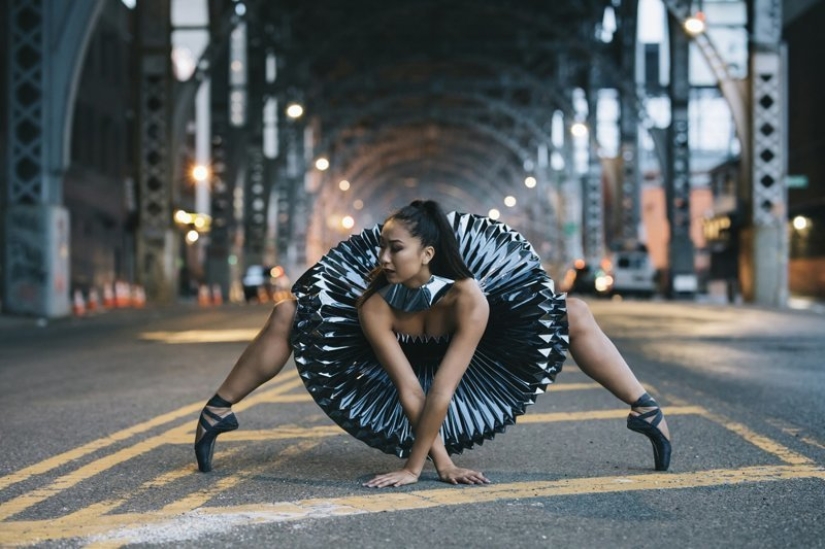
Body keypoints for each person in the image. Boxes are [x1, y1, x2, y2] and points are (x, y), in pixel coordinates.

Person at [194, 200, 671, 486]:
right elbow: (410, 387)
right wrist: (430, 465)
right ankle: (217, 409)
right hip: (386, 357)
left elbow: (443, 388)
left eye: (394, 249)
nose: (381, 258)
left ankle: (645, 408)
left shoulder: (469, 297)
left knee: (573, 312)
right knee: (288, 312)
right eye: (381, 246)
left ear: (427, 254)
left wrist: (419, 466)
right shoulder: (375, 302)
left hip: (490, 345)